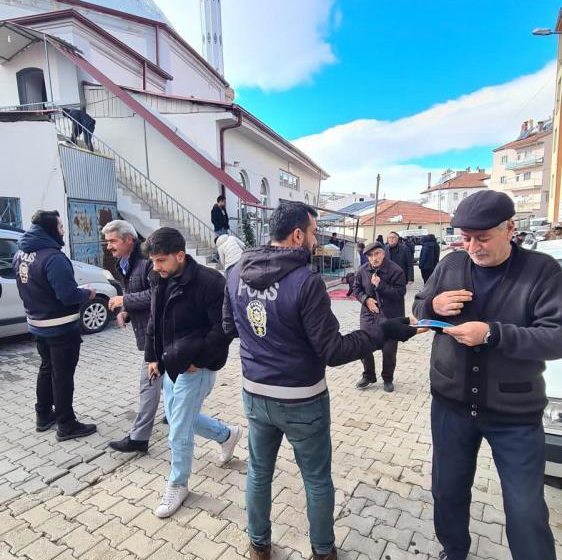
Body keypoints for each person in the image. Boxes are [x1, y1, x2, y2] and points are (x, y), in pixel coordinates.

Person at [223, 201, 419, 560]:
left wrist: (263, 344)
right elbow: (333, 350)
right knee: (316, 479)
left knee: (259, 472)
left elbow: (228, 327)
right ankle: (323, 552)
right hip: (302, 401)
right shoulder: (305, 282)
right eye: (313, 233)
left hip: (255, 394)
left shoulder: (236, 272)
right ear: (298, 235)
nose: (315, 241)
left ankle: (258, 546)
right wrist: (384, 331)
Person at [413, 190, 562, 560]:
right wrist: (432, 304)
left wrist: (493, 333)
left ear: (510, 228)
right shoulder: (450, 266)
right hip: (451, 406)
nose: (473, 246)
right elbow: (419, 308)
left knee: (525, 508)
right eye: (466, 238)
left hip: (515, 413)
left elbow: (557, 337)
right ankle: (454, 551)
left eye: (482, 238)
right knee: (447, 490)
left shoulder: (542, 271)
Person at [144, 227, 241, 518]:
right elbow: (155, 318)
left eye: (161, 260)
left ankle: (178, 484)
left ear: (180, 255)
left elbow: (225, 327)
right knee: (177, 418)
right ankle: (227, 435)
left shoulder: (211, 282)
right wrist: (152, 357)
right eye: (152, 261)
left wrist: (200, 359)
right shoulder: (158, 278)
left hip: (196, 367)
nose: (155, 266)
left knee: (178, 430)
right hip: (170, 362)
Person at [12, 210, 97, 441]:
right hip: (60, 328)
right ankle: (66, 424)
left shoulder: (21, 254)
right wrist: (88, 293)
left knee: (47, 368)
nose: (63, 230)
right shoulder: (53, 257)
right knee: (62, 375)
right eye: (60, 226)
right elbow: (67, 295)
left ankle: (43, 415)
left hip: (38, 325)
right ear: (50, 229)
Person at [101, 220, 157, 454]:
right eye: (107, 241)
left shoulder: (147, 262)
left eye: (113, 241)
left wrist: (125, 301)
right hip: (149, 332)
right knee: (173, 387)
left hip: (159, 334)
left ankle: (139, 438)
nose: (108, 246)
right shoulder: (123, 262)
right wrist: (126, 312)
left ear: (129, 241)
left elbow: (157, 295)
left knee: (148, 386)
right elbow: (134, 294)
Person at [353, 242, 406, 392]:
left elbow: (400, 293)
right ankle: (368, 375)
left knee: (389, 349)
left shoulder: (396, 270)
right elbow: (356, 289)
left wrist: (380, 285)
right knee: (364, 345)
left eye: (376, 254)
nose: (374, 258)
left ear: (383, 253)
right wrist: (366, 299)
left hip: (390, 315)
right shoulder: (362, 270)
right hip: (369, 315)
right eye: (370, 256)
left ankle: (388, 379)